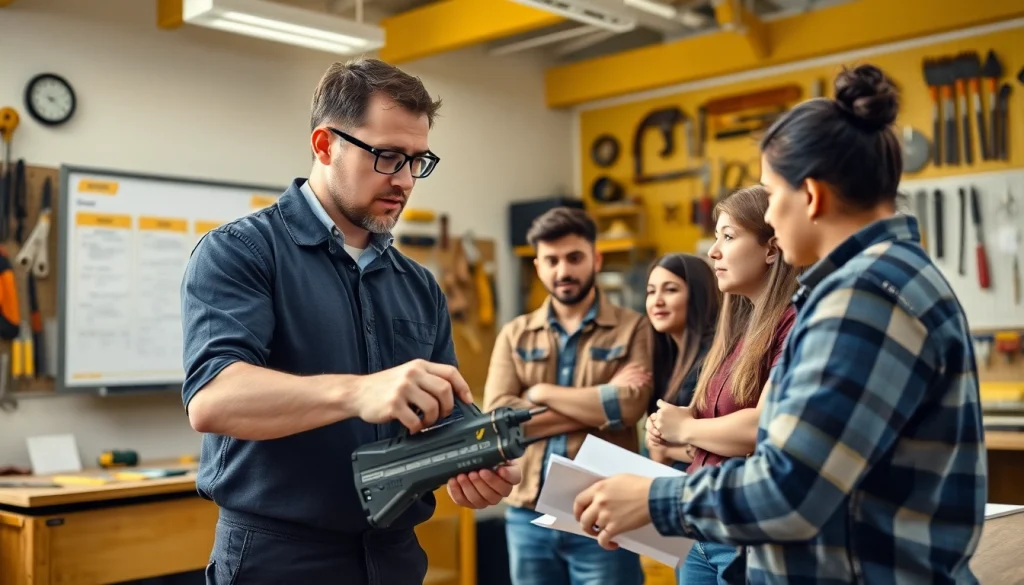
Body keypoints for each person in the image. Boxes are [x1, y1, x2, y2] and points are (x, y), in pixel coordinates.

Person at [570, 63, 987, 584]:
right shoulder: (887, 279)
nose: (768, 218)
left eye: (773, 195)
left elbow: (791, 488)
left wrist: (655, 499)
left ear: (811, 196)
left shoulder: (863, 298)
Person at [179, 58, 521, 585]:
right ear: (324, 145)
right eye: (387, 156)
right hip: (278, 559)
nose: (405, 180)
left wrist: (474, 456)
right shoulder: (242, 252)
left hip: (395, 556)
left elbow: (444, 409)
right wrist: (359, 393)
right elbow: (213, 399)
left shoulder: (418, 285)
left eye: (417, 160)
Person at [482, 206, 652, 585]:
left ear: (596, 257)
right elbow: (498, 419)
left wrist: (540, 392)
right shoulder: (515, 334)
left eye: (574, 257)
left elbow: (629, 406)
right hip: (527, 515)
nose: (563, 271)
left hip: (603, 512)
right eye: (551, 260)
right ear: (538, 265)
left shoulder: (633, 328)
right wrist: (599, 406)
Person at [646, 186, 799, 584]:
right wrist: (675, 427)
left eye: (728, 237)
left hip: (744, 532)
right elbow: (715, 436)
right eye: (716, 237)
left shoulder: (794, 324)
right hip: (701, 527)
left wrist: (686, 428)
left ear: (771, 248)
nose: (713, 251)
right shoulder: (738, 331)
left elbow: (760, 428)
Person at [642, 253, 720, 470]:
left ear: (698, 295)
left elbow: (722, 446)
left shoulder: (714, 357)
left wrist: (665, 451)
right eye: (651, 291)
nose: (657, 301)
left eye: (670, 290)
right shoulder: (665, 355)